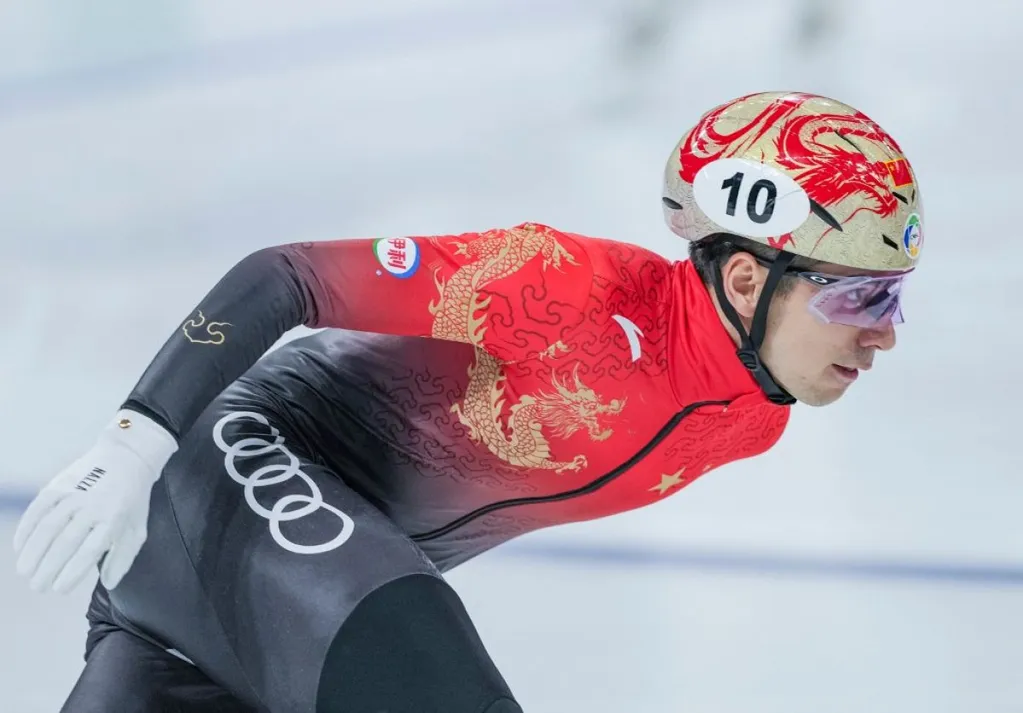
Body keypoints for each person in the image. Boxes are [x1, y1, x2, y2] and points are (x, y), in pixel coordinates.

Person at [12, 90, 924, 712]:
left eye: (892, 298)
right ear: (744, 279)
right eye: (859, 296)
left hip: (221, 624)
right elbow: (285, 276)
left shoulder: (751, 421)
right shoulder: (564, 286)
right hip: (228, 477)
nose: (882, 332)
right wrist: (136, 439)